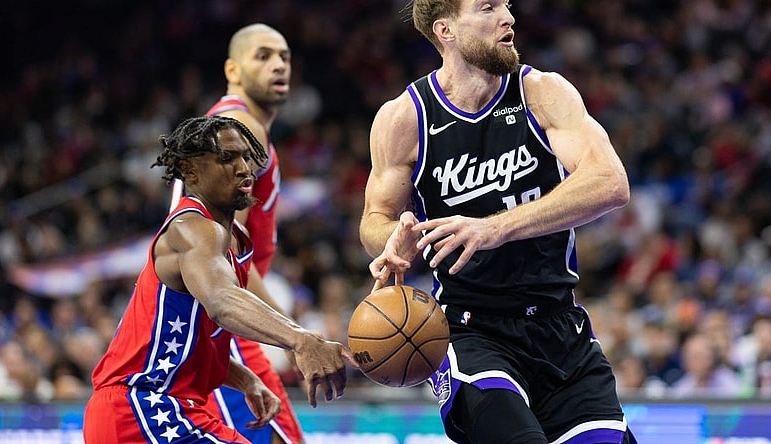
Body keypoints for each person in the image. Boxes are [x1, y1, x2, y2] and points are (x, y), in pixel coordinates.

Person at [359, 1, 635, 443]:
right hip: (470, 331)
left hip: (560, 326)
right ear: (445, 30)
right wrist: (394, 238)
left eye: (507, 5)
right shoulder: (405, 118)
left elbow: (610, 182)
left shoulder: (542, 92)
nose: (509, 17)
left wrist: (496, 226)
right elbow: (374, 220)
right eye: (488, 8)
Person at [83, 116, 355, 443]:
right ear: (191, 170)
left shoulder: (232, 239)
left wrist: (245, 380)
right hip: (142, 407)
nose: (244, 168)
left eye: (245, 156)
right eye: (227, 159)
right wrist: (300, 339)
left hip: (145, 409)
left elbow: (186, 344)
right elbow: (221, 302)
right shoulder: (193, 228)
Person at [169, 24, 304, 444]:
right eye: (262, 56)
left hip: (209, 312)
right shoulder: (238, 125)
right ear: (233, 69)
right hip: (216, 316)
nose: (278, 64)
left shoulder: (231, 124)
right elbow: (227, 257)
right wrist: (294, 336)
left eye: (283, 56)